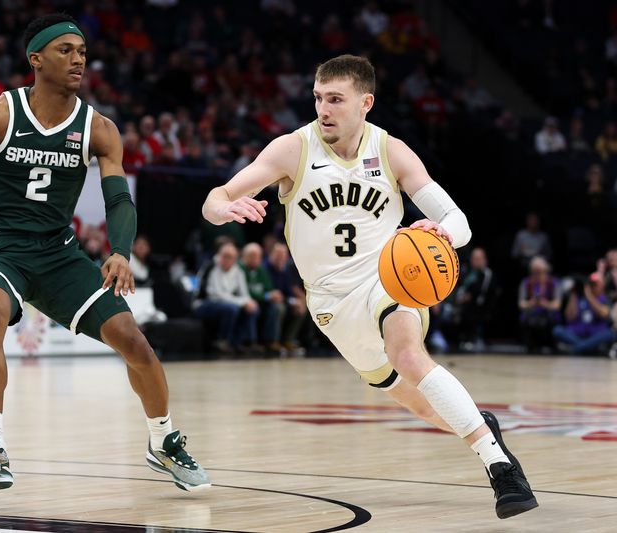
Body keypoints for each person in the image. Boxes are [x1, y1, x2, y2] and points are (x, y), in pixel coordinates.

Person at [202, 54, 537, 519]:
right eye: (318, 98)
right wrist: (225, 209)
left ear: (366, 103)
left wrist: (445, 234)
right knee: (423, 409)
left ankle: (502, 469)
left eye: (335, 99)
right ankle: (481, 427)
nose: (324, 108)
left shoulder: (392, 151)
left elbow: (457, 220)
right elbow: (215, 198)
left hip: (389, 279)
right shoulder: (292, 150)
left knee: (408, 356)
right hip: (330, 305)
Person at [0, 14, 208, 493]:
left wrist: (120, 251)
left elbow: (119, 198)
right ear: (35, 59)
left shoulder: (98, 128)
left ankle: (163, 441)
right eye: (65, 50)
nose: (78, 58)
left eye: (82, 51)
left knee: (135, 342)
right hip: (2, 247)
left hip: (60, 252)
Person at [194, 241, 259, 354]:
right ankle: (222, 341)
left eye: (230, 257)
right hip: (204, 303)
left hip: (227, 303)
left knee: (253, 309)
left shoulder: (238, 271)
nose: (226, 259)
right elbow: (217, 295)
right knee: (232, 309)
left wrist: (248, 302)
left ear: (235, 259)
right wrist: (242, 302)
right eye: (224, 256)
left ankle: (240, 342)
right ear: (219, 255)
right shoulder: (211, 267)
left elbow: (244, 293)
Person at [553, 273, 615, 355]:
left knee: (610, 334)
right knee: (557, 330)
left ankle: (577, 348)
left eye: (595, 285)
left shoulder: (604, 299)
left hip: (595, 334)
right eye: (590, 284)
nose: (592, 287)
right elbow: (569, 317)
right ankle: (586, 347)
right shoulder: (578, 298)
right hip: (577, 334)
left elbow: (604, 314)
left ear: (601, 286)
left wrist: (589, 296)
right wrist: (573, 293)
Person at [241, 242, 283, 353]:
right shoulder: (240, 269)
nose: (255, 259)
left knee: (276, 308)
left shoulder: (261, 270)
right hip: (245, 300)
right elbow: (245, 291)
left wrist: (273, 294)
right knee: (253, 308)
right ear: (244, 257)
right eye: (252, 256)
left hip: (261, 301)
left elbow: (268, 288)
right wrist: (267, 296)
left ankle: (271, 341)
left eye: (258, 256)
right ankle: (250, 342)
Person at [456, 247, 499, 352]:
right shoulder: (467, 273)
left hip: (481, 306)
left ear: (485, 260)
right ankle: (464, 340)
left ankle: (473, 339)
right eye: (474, 258)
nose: (476, 261)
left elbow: (483, 292)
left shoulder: (487, 274)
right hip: (465, 304)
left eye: (479, 258)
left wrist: (470, 297)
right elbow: (462, 288)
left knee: (473, 313)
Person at [518, 256, 561, 352]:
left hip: (548, 314)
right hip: (532, 314)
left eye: (541, 271)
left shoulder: (554, 283)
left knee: (551, 319)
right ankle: (530, 346)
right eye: (535, 272)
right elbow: (521, 304)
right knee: (526, 318)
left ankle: (551, 345)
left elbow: (557, 305)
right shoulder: (526, 282)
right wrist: (531, 303)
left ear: (546, 270)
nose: (538, 275)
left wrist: (545, 304)